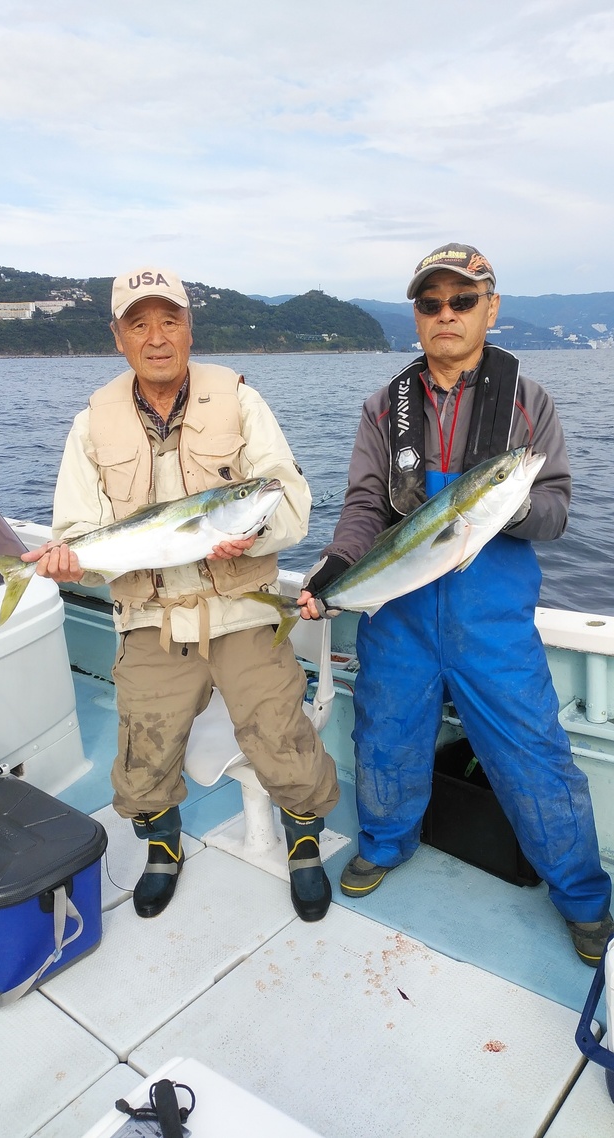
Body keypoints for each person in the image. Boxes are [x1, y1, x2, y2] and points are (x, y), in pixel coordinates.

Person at [299, 242, 613, 966]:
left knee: (536, 758)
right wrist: (333, 572)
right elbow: (363, 508)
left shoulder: (529, 404)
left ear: (491, 308)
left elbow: (558, 510)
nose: (446, 314)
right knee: (385, 738)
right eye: (431, 302)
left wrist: (506, 510)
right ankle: (383, 844)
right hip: (400, 617)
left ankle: (583, 898)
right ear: (416, 314)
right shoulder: (384, 407)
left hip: (491, 624)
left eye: (463, 300)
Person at [23, 266, 338, 922]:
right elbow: (79, 535)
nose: (157, 336)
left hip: (244, 607)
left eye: (170, 319)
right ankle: (162, 847)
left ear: (191, 328)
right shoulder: (91, 426)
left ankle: (303, 841)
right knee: (143, 754)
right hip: (151, 615)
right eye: (139, 323)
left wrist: (246, 541)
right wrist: (64, 561)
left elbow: (291, 504)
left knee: (283, 734)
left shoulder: (242, 402)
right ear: (118, 337)